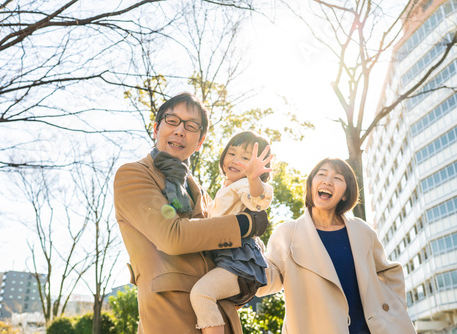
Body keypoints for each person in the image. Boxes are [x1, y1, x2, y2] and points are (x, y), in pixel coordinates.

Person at [114, 92, 268, 334]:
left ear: (200, 141)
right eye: (172, 121)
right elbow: (172, 237)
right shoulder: (134, 175)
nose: (179, 130)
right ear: (156, 128)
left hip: (218, 317)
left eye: (191, 126)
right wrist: (244, 225)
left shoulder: (203, 194)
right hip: (169, 317)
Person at [257, 157, 417, 334]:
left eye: (338, 178)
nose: (327, 181)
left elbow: (388, 272)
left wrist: (394, 311)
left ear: (346, 194)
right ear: (311, 185)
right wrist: (248, 241)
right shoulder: (288, 233)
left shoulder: (362, 230)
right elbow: (264, 281)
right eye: (322, 174)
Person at [190, 131, 273, 334]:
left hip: (238, 262)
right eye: (232, 153)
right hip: (225, 260)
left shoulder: (245, 185)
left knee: (202, 293)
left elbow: (258, 200)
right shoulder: (226, 188)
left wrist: (254, 178)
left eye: (245, 158)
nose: (235, 160)